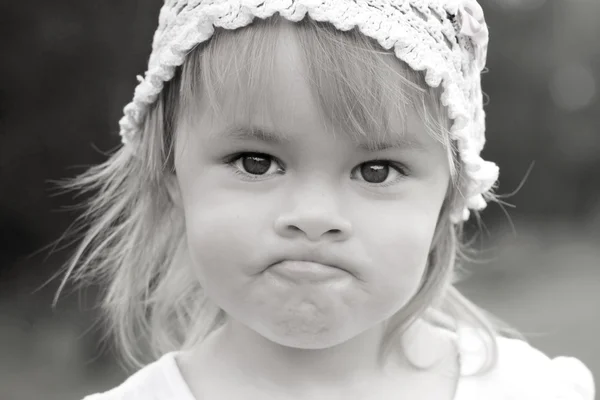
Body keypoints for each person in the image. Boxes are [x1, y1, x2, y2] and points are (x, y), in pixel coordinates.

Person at [56, 1, 595, 399]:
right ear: (171, 174)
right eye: (255, 162)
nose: (313, 218)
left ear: (447, 199)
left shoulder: (531, 390)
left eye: (376, 170)